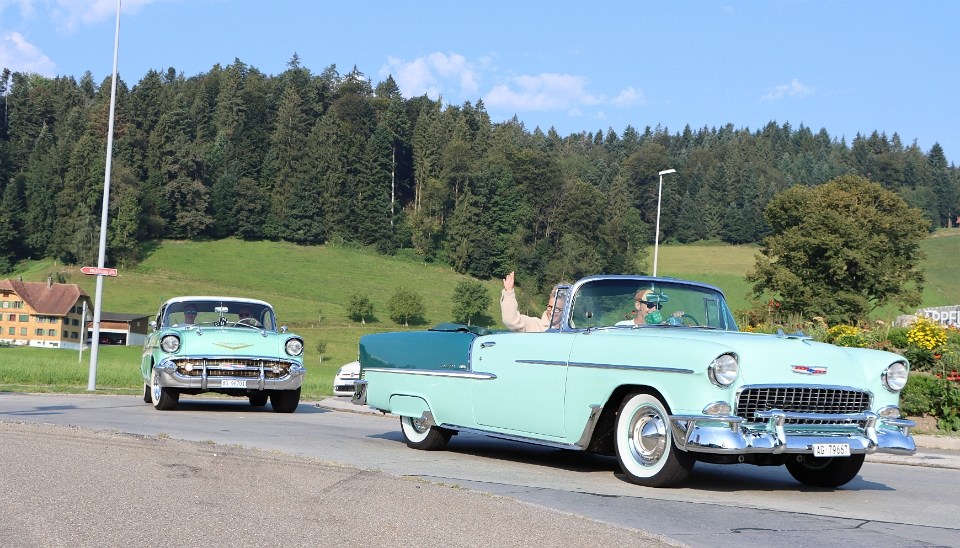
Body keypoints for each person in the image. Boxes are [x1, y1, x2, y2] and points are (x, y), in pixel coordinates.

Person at [500, 271, 566, 332]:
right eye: (550, 307)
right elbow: (511, 321)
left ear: (565, 310)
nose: (551, 312)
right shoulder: (535, 325)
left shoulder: (571, 331)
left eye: (556, 309)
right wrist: (508, 293)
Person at [616, 289, 684, 326]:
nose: (654, 309)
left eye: (658, 306)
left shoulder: (663, 328)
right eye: (650, 304)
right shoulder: (623, 326)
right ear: (638, 305)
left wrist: (677, 326)